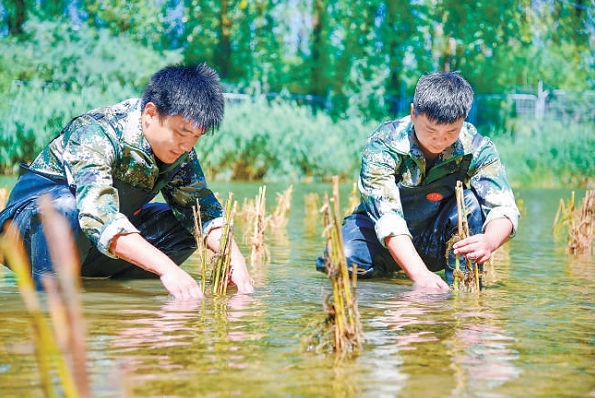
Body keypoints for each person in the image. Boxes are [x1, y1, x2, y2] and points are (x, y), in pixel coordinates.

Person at [0, 63, 254, 299]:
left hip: (91, 245)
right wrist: (167, 268)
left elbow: (203, 212)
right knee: (63, 208)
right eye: (182, 132)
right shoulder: (95, 132)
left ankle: (116, 296)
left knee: (187, 226)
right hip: (26, 240)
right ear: (150, 113)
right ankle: (49, 301)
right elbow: (97, 215)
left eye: (197, 137)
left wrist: (233, 259)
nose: (188, 145)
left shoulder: (180, 152)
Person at [316, 71, 520, 291]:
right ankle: (391, 281)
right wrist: (420, 276)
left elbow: (503, 208)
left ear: (464, 120)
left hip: (436, 239)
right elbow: (388, 219)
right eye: (431, 130)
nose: (440, 140)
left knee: (468, 203)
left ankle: (462, 289)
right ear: (414, 113)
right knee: (340, 260)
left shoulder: (478, 147)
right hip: (380, 238)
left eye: (451, 132)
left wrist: (490, 241)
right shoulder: (383, 144)